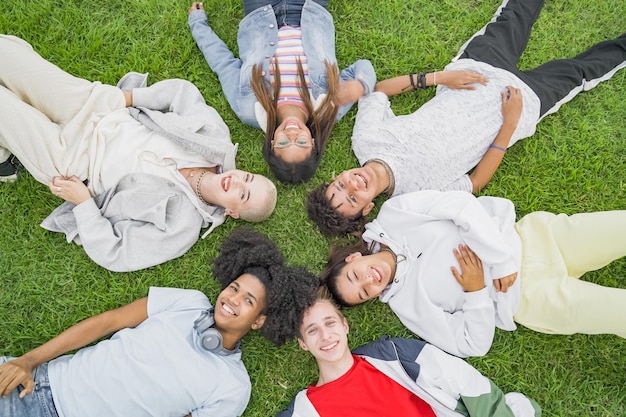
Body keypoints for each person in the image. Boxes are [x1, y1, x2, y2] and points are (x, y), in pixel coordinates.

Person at [307, 0, 626, 236]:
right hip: (524, 101)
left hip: (476, 69)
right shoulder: (416, 197)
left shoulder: (365, 140)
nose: (353, 185)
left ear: (338, 174)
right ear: (366, 209)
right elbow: (474, 183)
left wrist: (439, 79)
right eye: (352, 198)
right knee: (584, 70)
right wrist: (510, 124)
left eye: (340, 184)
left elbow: (379, 91)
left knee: (517, 12)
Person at [0, 34, 277, 272]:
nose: (238, 182)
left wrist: (83, 203)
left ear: (232, 212)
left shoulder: (182, 227)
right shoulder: (215, 142)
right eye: (248, 178)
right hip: (99, 109)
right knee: (8, 54)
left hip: (76, 163)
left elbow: (116, 253)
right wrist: (127, 99)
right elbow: (183, 93)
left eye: (243, 194)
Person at [0, 228, 320, 417]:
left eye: (248, 300)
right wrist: (29, 360)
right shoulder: (188, 302)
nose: (232, 298)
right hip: (36, 388)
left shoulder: (233, 387)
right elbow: (107, 322)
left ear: (259, 321)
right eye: (234, 287)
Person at [320, 190, 626, 358]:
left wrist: (501, 261)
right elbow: (470, 344)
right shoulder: (408, 306)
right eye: (364, 293)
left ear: (353, 257)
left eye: (354, 275)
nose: (369, 281)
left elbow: (459, 205)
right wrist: (476, 291)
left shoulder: (395, 215)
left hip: (534, 239)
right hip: (528, 299)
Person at [188, 0, 376, 184]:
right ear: (312, 142)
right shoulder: (330, 108)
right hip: (309, 9)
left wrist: (197, 23)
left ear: (272, 144)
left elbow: (223, 63)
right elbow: (364, 66)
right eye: (301, 143)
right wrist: (361, 85)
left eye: (284, 143)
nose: (292, 135)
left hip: (260, 11)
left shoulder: (248, 109)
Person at [277, 287, 541, 416]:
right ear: (303, 343)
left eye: (330, 323)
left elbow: (464, 380)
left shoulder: (392, 354)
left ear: (345, 326)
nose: (325, 336)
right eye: (312, 331)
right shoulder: (305, 409)